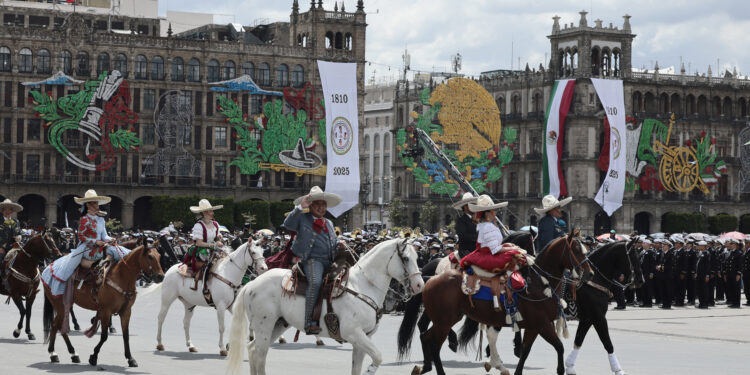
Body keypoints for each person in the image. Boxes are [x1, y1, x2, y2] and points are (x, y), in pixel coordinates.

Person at [41, 190, 131, 313]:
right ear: (88, 205)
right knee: (71, 265)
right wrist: (95, 242)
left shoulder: (101, 220)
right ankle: (64, 284)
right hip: (88, 247)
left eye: (97, 203)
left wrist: (111, 240)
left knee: (121, 252)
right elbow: (82, 236)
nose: (97, 206)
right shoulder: (84, 219)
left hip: (102, 245)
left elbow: (104, 236)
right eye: (94, 203)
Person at [283, 186, 342, 335]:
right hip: (312, 260)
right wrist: (299, 208)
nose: (321, 208)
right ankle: (309, 322)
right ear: (311, 205)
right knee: (315, 282)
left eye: (324, 205)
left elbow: (333, 241)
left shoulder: (328, 222)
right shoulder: (302, 218)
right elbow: (287, 224)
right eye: (318, 205)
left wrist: (340, 244)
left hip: (329, 260)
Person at [459, 195, 526, 277]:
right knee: (517, 255)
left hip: (487, 253)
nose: (495, 213)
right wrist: (512, 248)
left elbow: (492, 245)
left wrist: (506, 246)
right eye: (493, 210)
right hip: (488, 256)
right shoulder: (488, 227)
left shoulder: (486, 225)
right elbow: (495, 249)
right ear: (487, 213)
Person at [183, 199, 225, 290]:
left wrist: (219, 238)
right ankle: (201, 285)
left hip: (214, 248)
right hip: (201, 249)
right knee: (207, 265)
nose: (213, 212)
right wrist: (213, 245)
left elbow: (216, 237)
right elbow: (199, 243)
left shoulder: (215, 224)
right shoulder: (198, 226)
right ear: (205, 212)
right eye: (211, 211)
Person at [0, 198, 23, 288]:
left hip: (13, 248)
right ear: (2, 210)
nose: (8, 211)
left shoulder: (16, 222)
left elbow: (19, 233)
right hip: (1, 248)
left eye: (10, 209)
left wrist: (19, 237)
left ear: (12, 211)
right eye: (5, 209)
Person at [452, 192, 478, 259]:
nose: (474, 207)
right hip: (466, 251)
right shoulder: (461, 220)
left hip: (479, 249)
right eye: (472, 205)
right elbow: (463, 235)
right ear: (465, 206)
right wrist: (478, 237)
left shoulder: (478, 219)